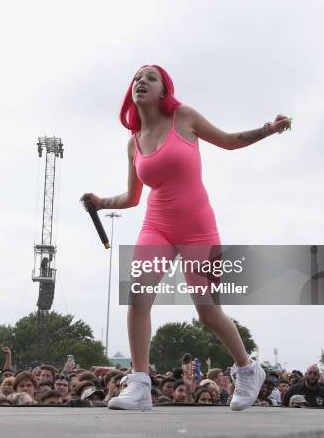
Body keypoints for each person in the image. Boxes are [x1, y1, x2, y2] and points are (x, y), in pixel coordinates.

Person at [81, 64, 292, 411]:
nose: (141, 82)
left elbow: (227, 141)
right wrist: (101, 202)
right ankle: (139, 384)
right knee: (137, 297)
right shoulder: (133, 144)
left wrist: (268, 128)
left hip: (198, 230)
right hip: (157, 227)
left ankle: (248, 369)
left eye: (151, 78)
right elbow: (133, 199)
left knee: (208, 314)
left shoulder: (184, 117)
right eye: (137, 78)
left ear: (165, 90)